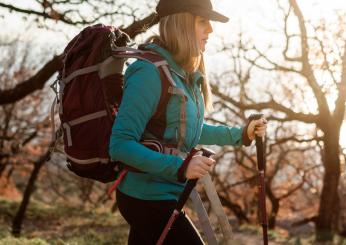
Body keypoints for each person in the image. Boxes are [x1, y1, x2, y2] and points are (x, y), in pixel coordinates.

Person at [109, 0, 267, 244]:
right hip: (145, 196)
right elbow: (120, 145)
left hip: (167, 194)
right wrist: (180, 167)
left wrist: (241, 134)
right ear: (182, 23)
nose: (211, 30)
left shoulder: (182, 75)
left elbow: (188, 131)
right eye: (203, 21)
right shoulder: (149, 73)